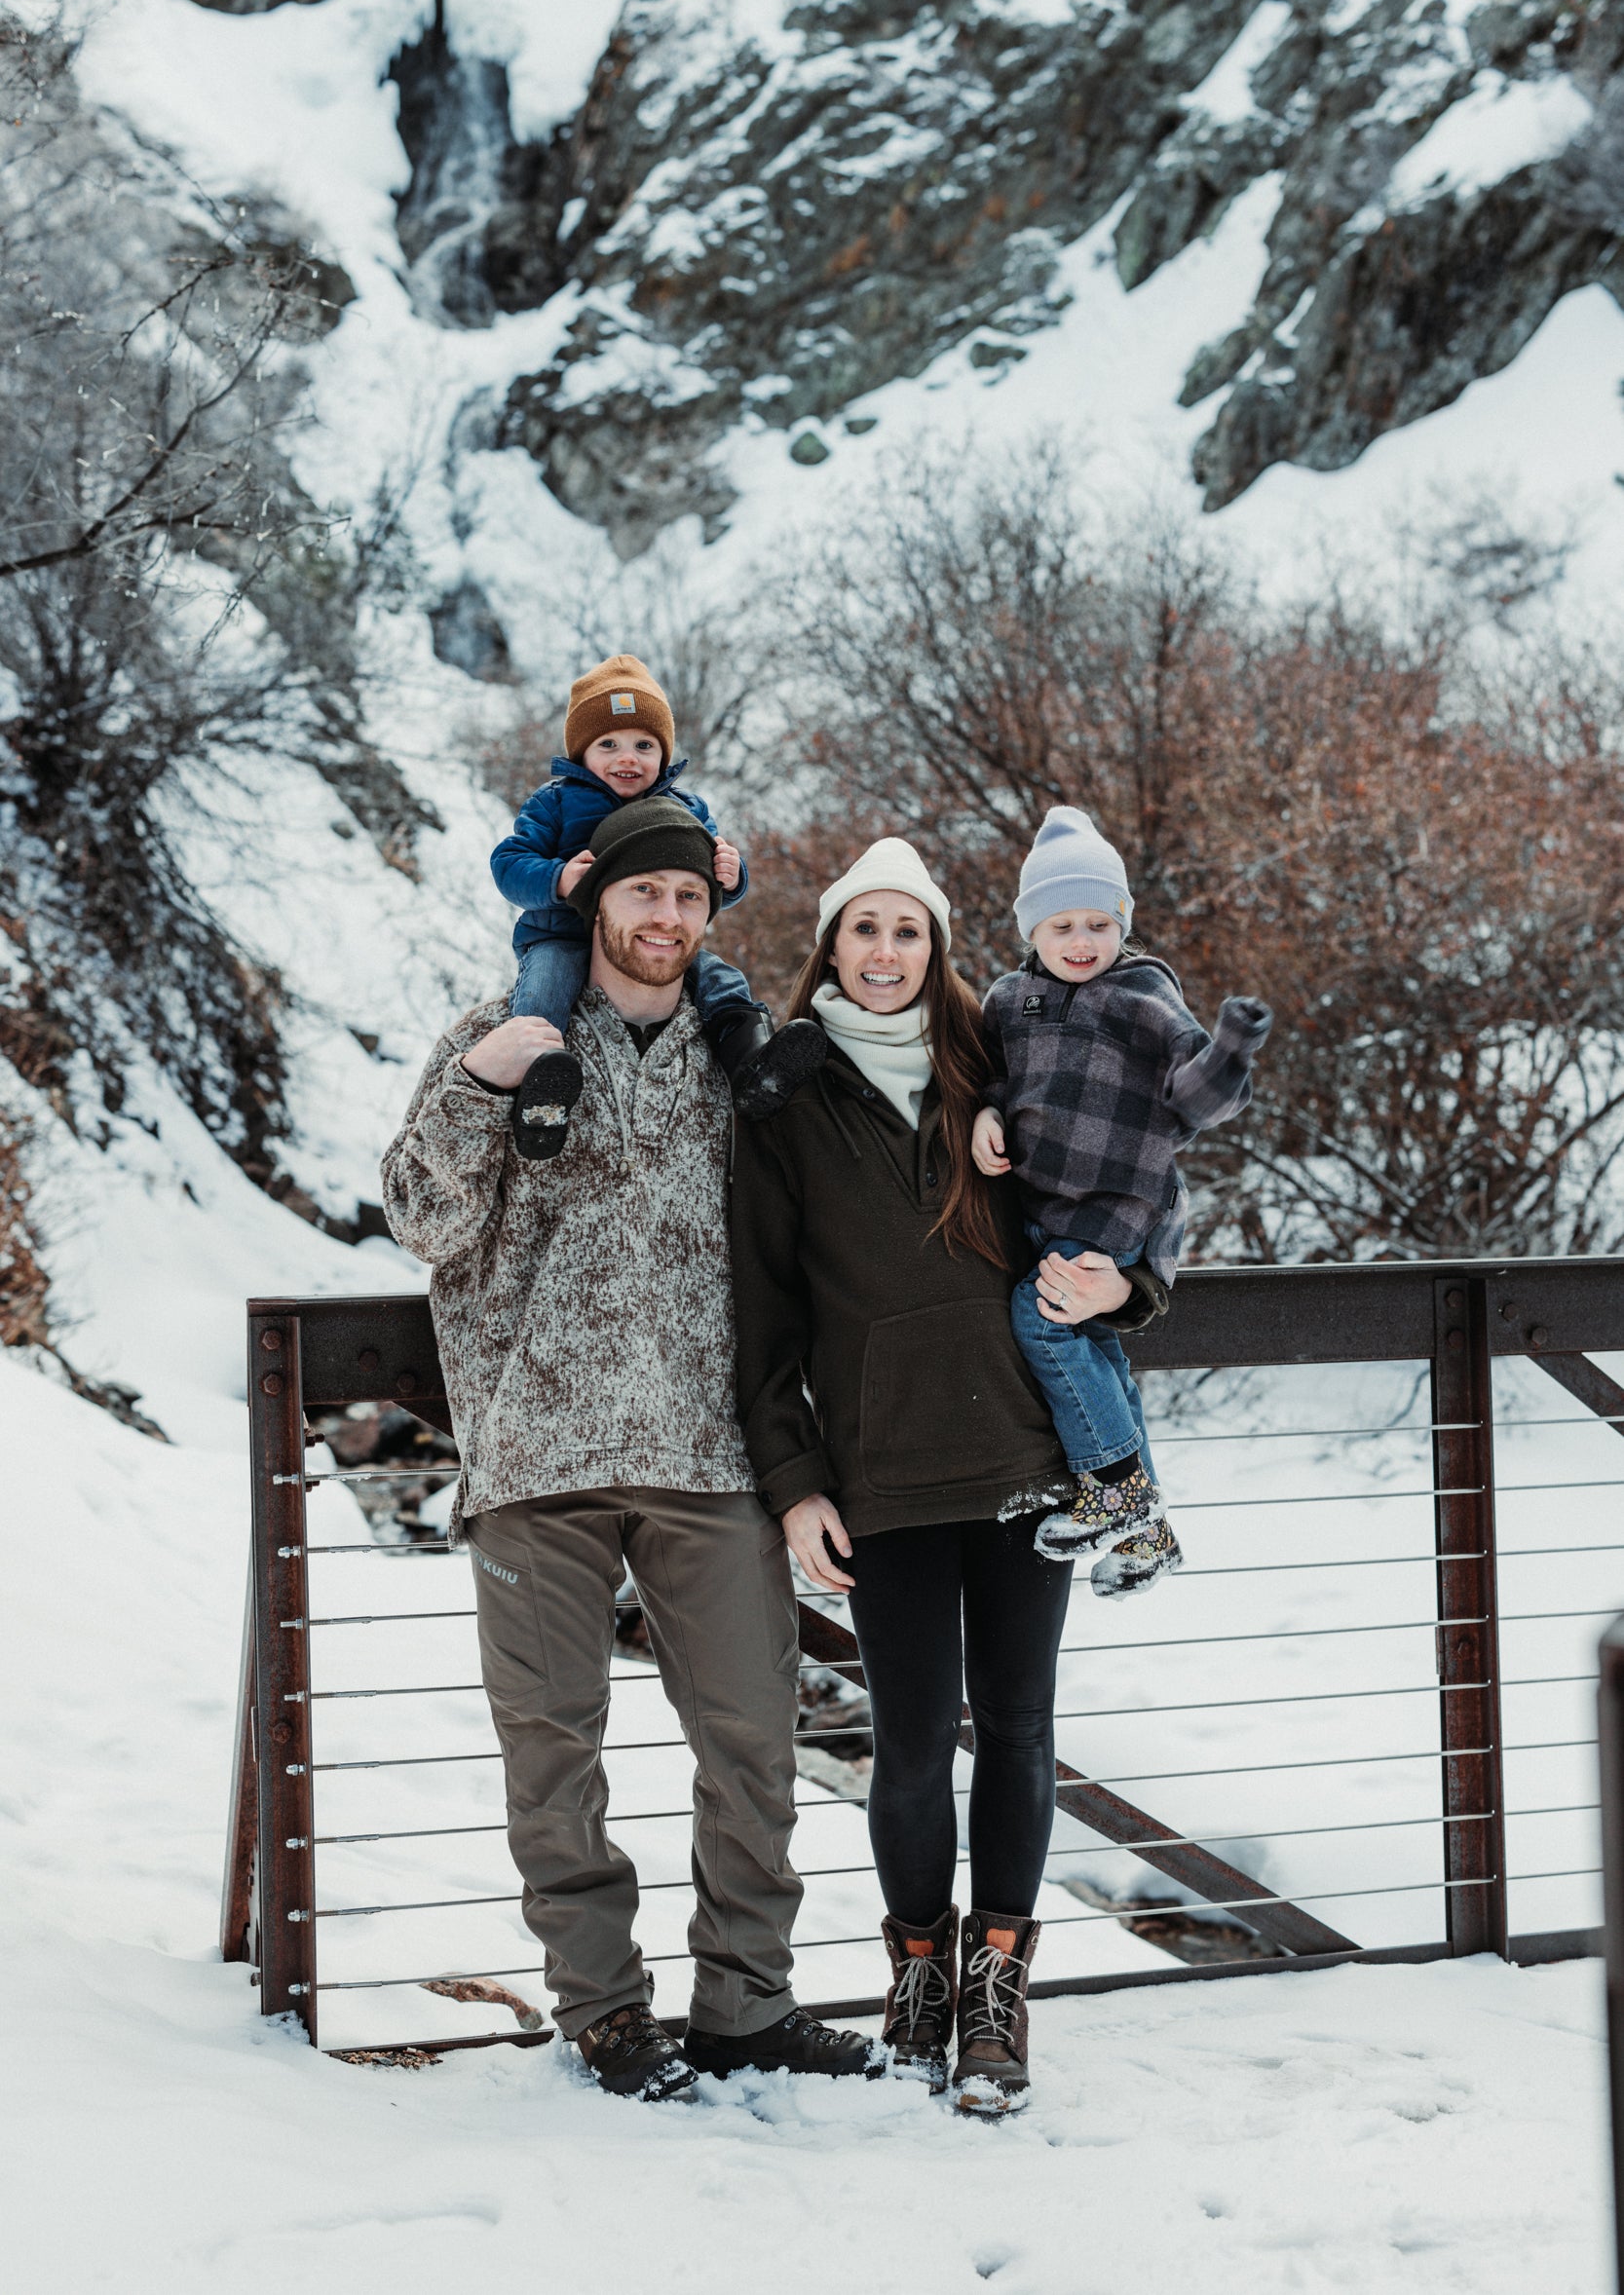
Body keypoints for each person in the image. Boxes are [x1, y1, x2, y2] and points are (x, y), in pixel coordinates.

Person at [382, 797, 879, 2103]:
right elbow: (421, 1217)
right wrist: (478, 1089)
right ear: (596, 896)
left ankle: (745, 2007)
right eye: (642, 893)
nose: (664, 917)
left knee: (753, 1740)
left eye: (686, 898)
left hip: (710, 1452)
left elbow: (826, 1231)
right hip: (534, 1451)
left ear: (708, 911)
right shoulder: (506, 1031)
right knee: (552, 1756)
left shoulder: (743, 1052)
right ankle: (603, 2014)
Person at [729, 837, 1166, 2115]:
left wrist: (1130, 1286)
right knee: (913, 1743)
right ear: (830, 945)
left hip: (1026, 1456)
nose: (884, 953)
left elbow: (1133, 1171)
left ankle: (996, 1990)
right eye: (863, 929)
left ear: (937, 947)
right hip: (882, 1471)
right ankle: (917, 1974)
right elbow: (760, 1315)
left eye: (907, 930)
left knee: (1018, 1730)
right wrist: (793, 1479)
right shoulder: (785, 1094)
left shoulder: (1003, 1055)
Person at [975, 806, 1270, 1587]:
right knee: (1097, 1350)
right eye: (1061, 925)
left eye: (1099, 924)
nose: (1081, 941)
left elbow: (1195, 1097)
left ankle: (1114, 1494)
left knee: (1042, 1320)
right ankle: (1149, 1533)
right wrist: (984, 1112)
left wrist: (1231, 1049)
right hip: (1041, 1207)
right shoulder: (1008, 999)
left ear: (1122, 924)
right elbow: (987, 1075)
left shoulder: (1142, 995)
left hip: (1117, 1201)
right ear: (1031, 929)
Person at [489, 653, 823, 1157]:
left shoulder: (685, 808)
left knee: (720, 978)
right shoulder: (555, 802)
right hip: (560, 934)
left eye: (644, 745)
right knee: (544, 992)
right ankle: (539, 1089)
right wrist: (557, 878)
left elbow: (707, 881)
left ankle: (752, 1063)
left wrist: (732, 876)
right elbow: (508, 863)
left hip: (655, 941)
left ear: (664, 755)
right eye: (609, 744)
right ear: (581, 752)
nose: (627, 758)